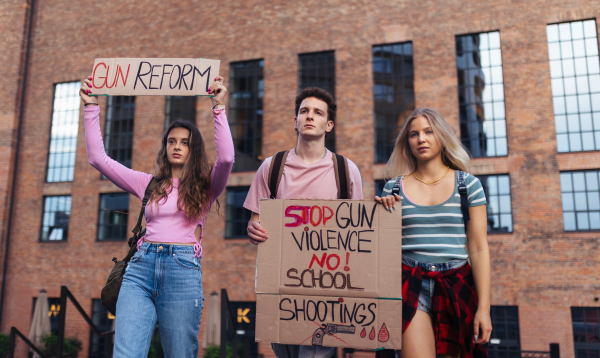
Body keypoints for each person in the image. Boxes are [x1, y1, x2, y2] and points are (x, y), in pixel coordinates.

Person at [79, 76, 234, 358]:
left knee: (179, 353)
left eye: (184, 142)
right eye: (171, 141)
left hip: (182, 271)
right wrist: (92, 107)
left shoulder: (206, 187)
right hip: (140, 270)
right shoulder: (148, 184)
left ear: (193, 149)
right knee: (126, 354)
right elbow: (98, 159)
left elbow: (226, 159)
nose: (176, 146)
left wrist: (218, 107)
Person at [245, 87, 363, 358]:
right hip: (280, 284)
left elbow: (357, 235)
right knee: (283, 352)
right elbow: (255, 223)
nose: (310, 116)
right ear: (294, 121)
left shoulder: (346, 171)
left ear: (329, 125)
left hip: (327, 285)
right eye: (304, 111)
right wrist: (253, 230)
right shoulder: (271, 167)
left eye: (318, 113)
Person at [375, 108, 491, 358]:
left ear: (441, 137)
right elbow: (382, 252)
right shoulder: (392, 189)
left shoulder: (467, 185)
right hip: (409, 285)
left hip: (455, 283)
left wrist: (484, 308)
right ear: (408, 143)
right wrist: (381, 217)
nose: (421, 139)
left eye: (428, 132)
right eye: (414, 134)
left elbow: (479, 249)